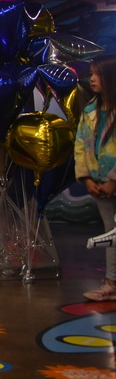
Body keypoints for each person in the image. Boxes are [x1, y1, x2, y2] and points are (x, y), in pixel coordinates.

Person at [73, 55, 116, 301]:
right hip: (99, 185)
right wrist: (87, 178)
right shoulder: (90, 111)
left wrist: (114, 180)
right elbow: (81, 146)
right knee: (110, 234)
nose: (92, 79)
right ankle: (111, 283)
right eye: (91, 73)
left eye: (97, 74)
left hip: (111, 182)